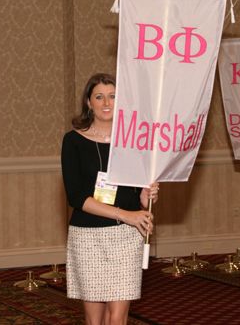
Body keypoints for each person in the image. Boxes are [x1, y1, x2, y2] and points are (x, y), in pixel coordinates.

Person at [61, 72, 159, 325]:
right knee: (96, 319)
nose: (106, 103)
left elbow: (139, 199)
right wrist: (126, 215)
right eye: (99, 97)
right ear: (88, 103)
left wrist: (147, 197)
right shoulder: (73, 141)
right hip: (87, 236)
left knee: (118, 316)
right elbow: (76, 197)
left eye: (113, 96)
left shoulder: (136, 141)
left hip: (127, 236)